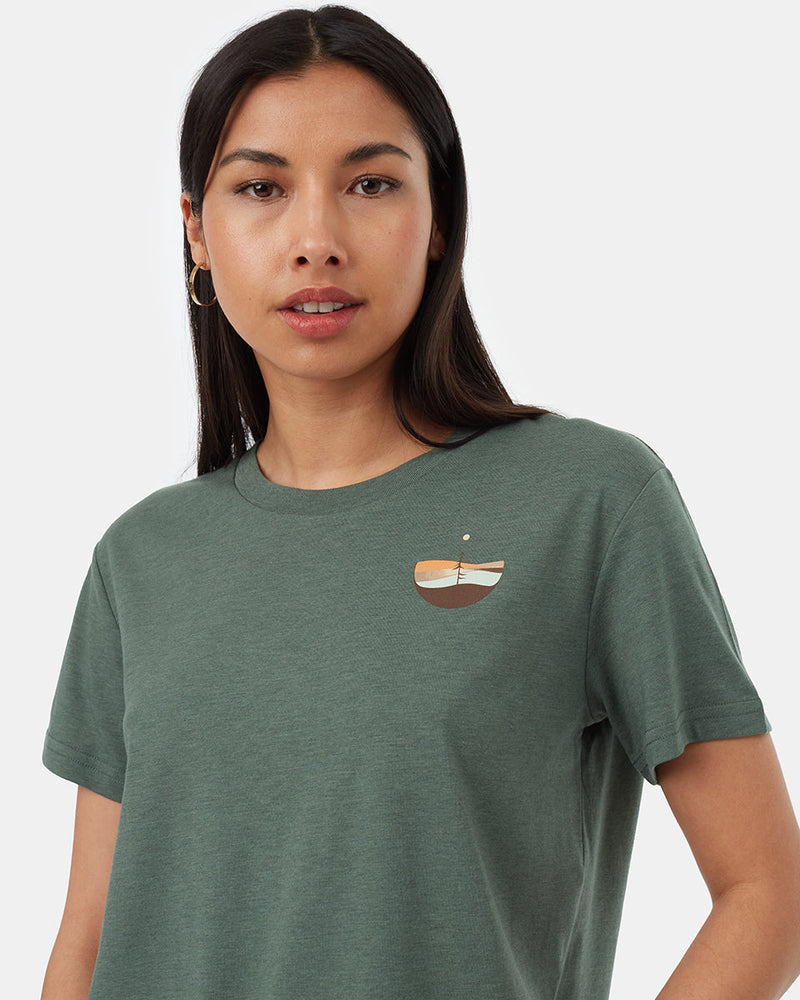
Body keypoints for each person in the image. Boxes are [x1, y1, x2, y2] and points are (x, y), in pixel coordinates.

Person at [40, 6, 800, 1000]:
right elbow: (90, 940)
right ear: (197, 232)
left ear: (439, 218)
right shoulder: (140, 560)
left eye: (370, 183)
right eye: (261, 187)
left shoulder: (589, 502)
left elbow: (768, 891)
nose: (315, 239)